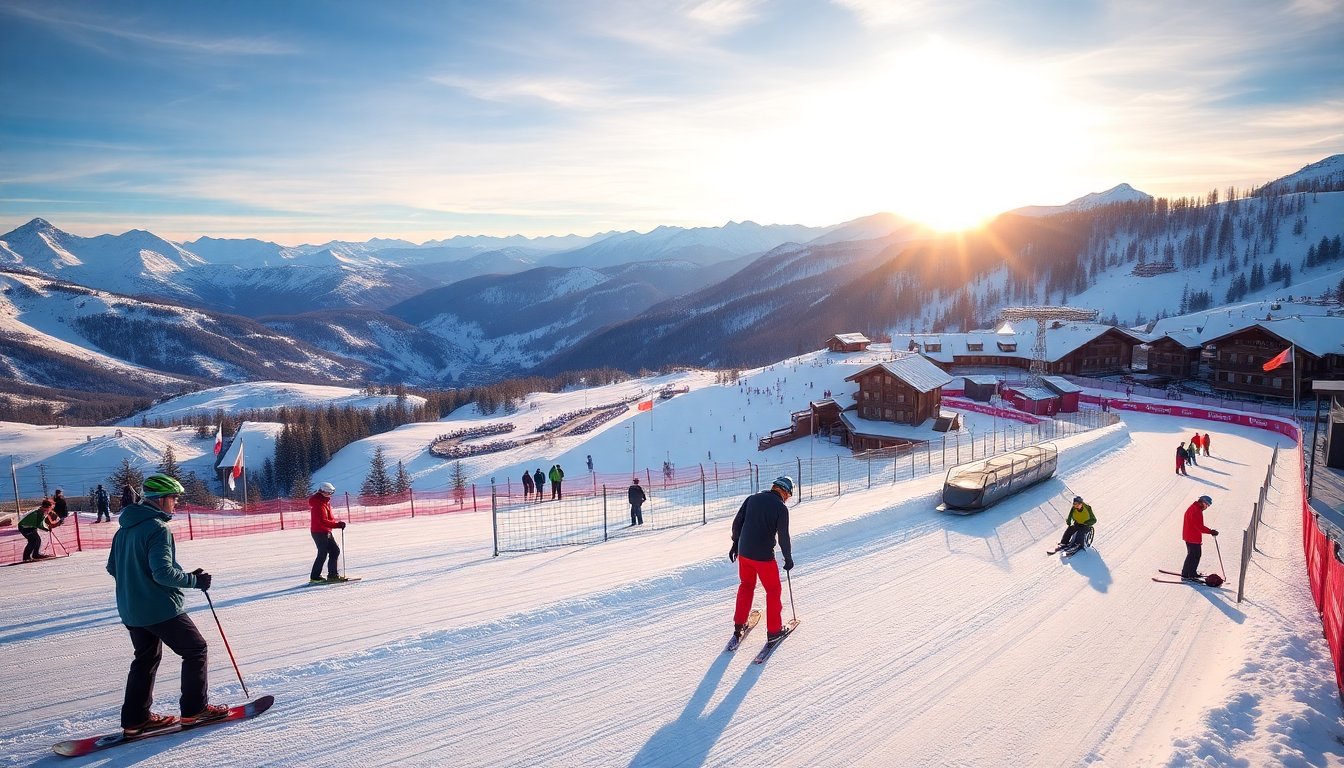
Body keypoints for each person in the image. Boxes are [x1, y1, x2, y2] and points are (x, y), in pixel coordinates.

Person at [106, 474, 228, 736]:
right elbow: (162, 574)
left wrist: (142, 582)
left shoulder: (124, 529)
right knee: (196, 649)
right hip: (159, 608)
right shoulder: (157, 528)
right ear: (160, 500)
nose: (176, 503)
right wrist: (195, 581)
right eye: (174, 498)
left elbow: (113, 568)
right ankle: (195, 709)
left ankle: (135, 719)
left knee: (145, 659)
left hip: (131, 609)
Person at [729, 476, 794, 643]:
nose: (788, 499)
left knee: (746, 585)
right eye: (789, 495)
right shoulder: (780, 508)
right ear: (785, 492)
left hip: (744, 553)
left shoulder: (752, 499)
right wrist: (788, 557)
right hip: (763, 557)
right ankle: (774, 631)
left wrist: (735, 544)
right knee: (773, 591)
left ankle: (739, 625)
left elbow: (738, 523)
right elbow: (783, 537)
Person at [309, 482, 347, 583]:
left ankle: (332, 575)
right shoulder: (318, 504)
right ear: (323, 492)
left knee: (335, 550)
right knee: (322, 553)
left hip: (325, 531)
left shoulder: (325, 502)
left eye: (332, 492)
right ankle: (315, 577)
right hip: (319, 532)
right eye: (329, 492)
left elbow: (328, 519)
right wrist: (337, 525)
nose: (330, 495)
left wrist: (335, 524)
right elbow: (323, 521)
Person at [1181, 495, 1218, 580]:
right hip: (1192, 537)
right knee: (1194, 555)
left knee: (1193, 555)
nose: (1207, 507)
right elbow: (1199, 526)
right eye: (1207, 505)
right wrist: (1210, 531)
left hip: (1191, 536)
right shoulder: (1196, 510)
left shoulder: (1195, 508)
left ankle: (1187, 573)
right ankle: (1190, 574)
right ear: (1202, 502)